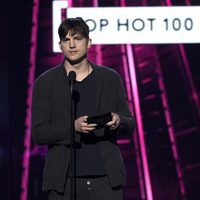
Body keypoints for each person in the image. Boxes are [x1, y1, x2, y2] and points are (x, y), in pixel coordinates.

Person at [31, 17, 135, 200]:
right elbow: (38, 133)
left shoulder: (110, 78)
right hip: (64, 182)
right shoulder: (45, 83)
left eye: (77, 38)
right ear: (60, 45)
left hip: (106, 180)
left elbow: (130, 123)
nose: (71, 45)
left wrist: (118, 121)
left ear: (89, 43)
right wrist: (73, 128)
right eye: (66, 40)